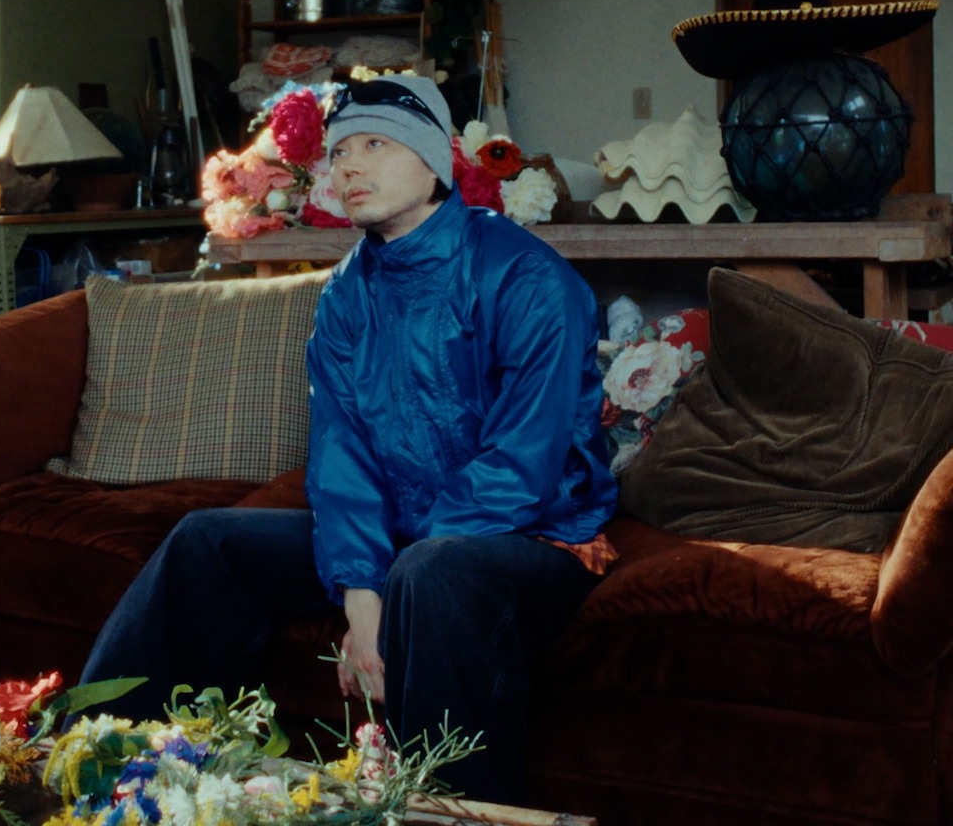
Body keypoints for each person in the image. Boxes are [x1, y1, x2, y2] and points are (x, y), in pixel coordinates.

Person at [76, 74, 618, 803]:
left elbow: (524, 466)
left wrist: (391, 584)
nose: (349, 166)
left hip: (536, 537)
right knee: (207, 542)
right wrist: (362, 594)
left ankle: (442, 811)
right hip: (401, 536)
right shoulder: (346, 293)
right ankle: (106, 769)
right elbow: (343, 456)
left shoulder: (527, 278)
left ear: (433, 160)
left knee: (433, 570)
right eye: (338, 152)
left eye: (375, 145)